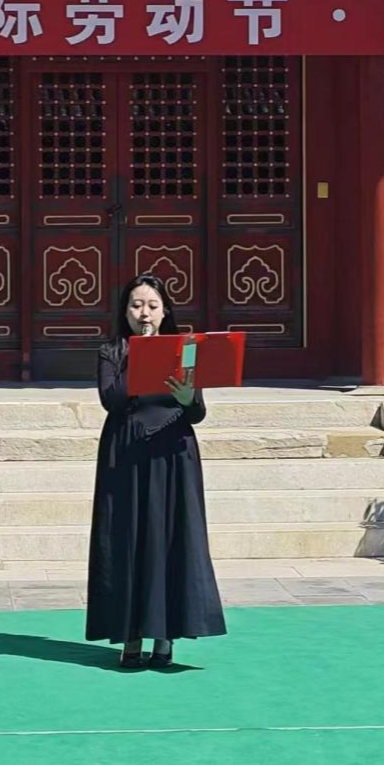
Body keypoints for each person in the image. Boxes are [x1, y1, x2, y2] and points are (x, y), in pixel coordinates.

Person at [85, 274, 227, 668]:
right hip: (126, 451)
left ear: (165, 312)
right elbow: (111, 399)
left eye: (152, 305)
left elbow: (196, 412)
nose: (144, 313)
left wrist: (187, 397)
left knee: (170, 537)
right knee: (127, 537)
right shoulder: (111, 351)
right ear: (124, 311)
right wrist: (142, 354)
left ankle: (165, 636)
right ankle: (130, 636)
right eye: (136, 305)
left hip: (173, 451)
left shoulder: (186, 351)